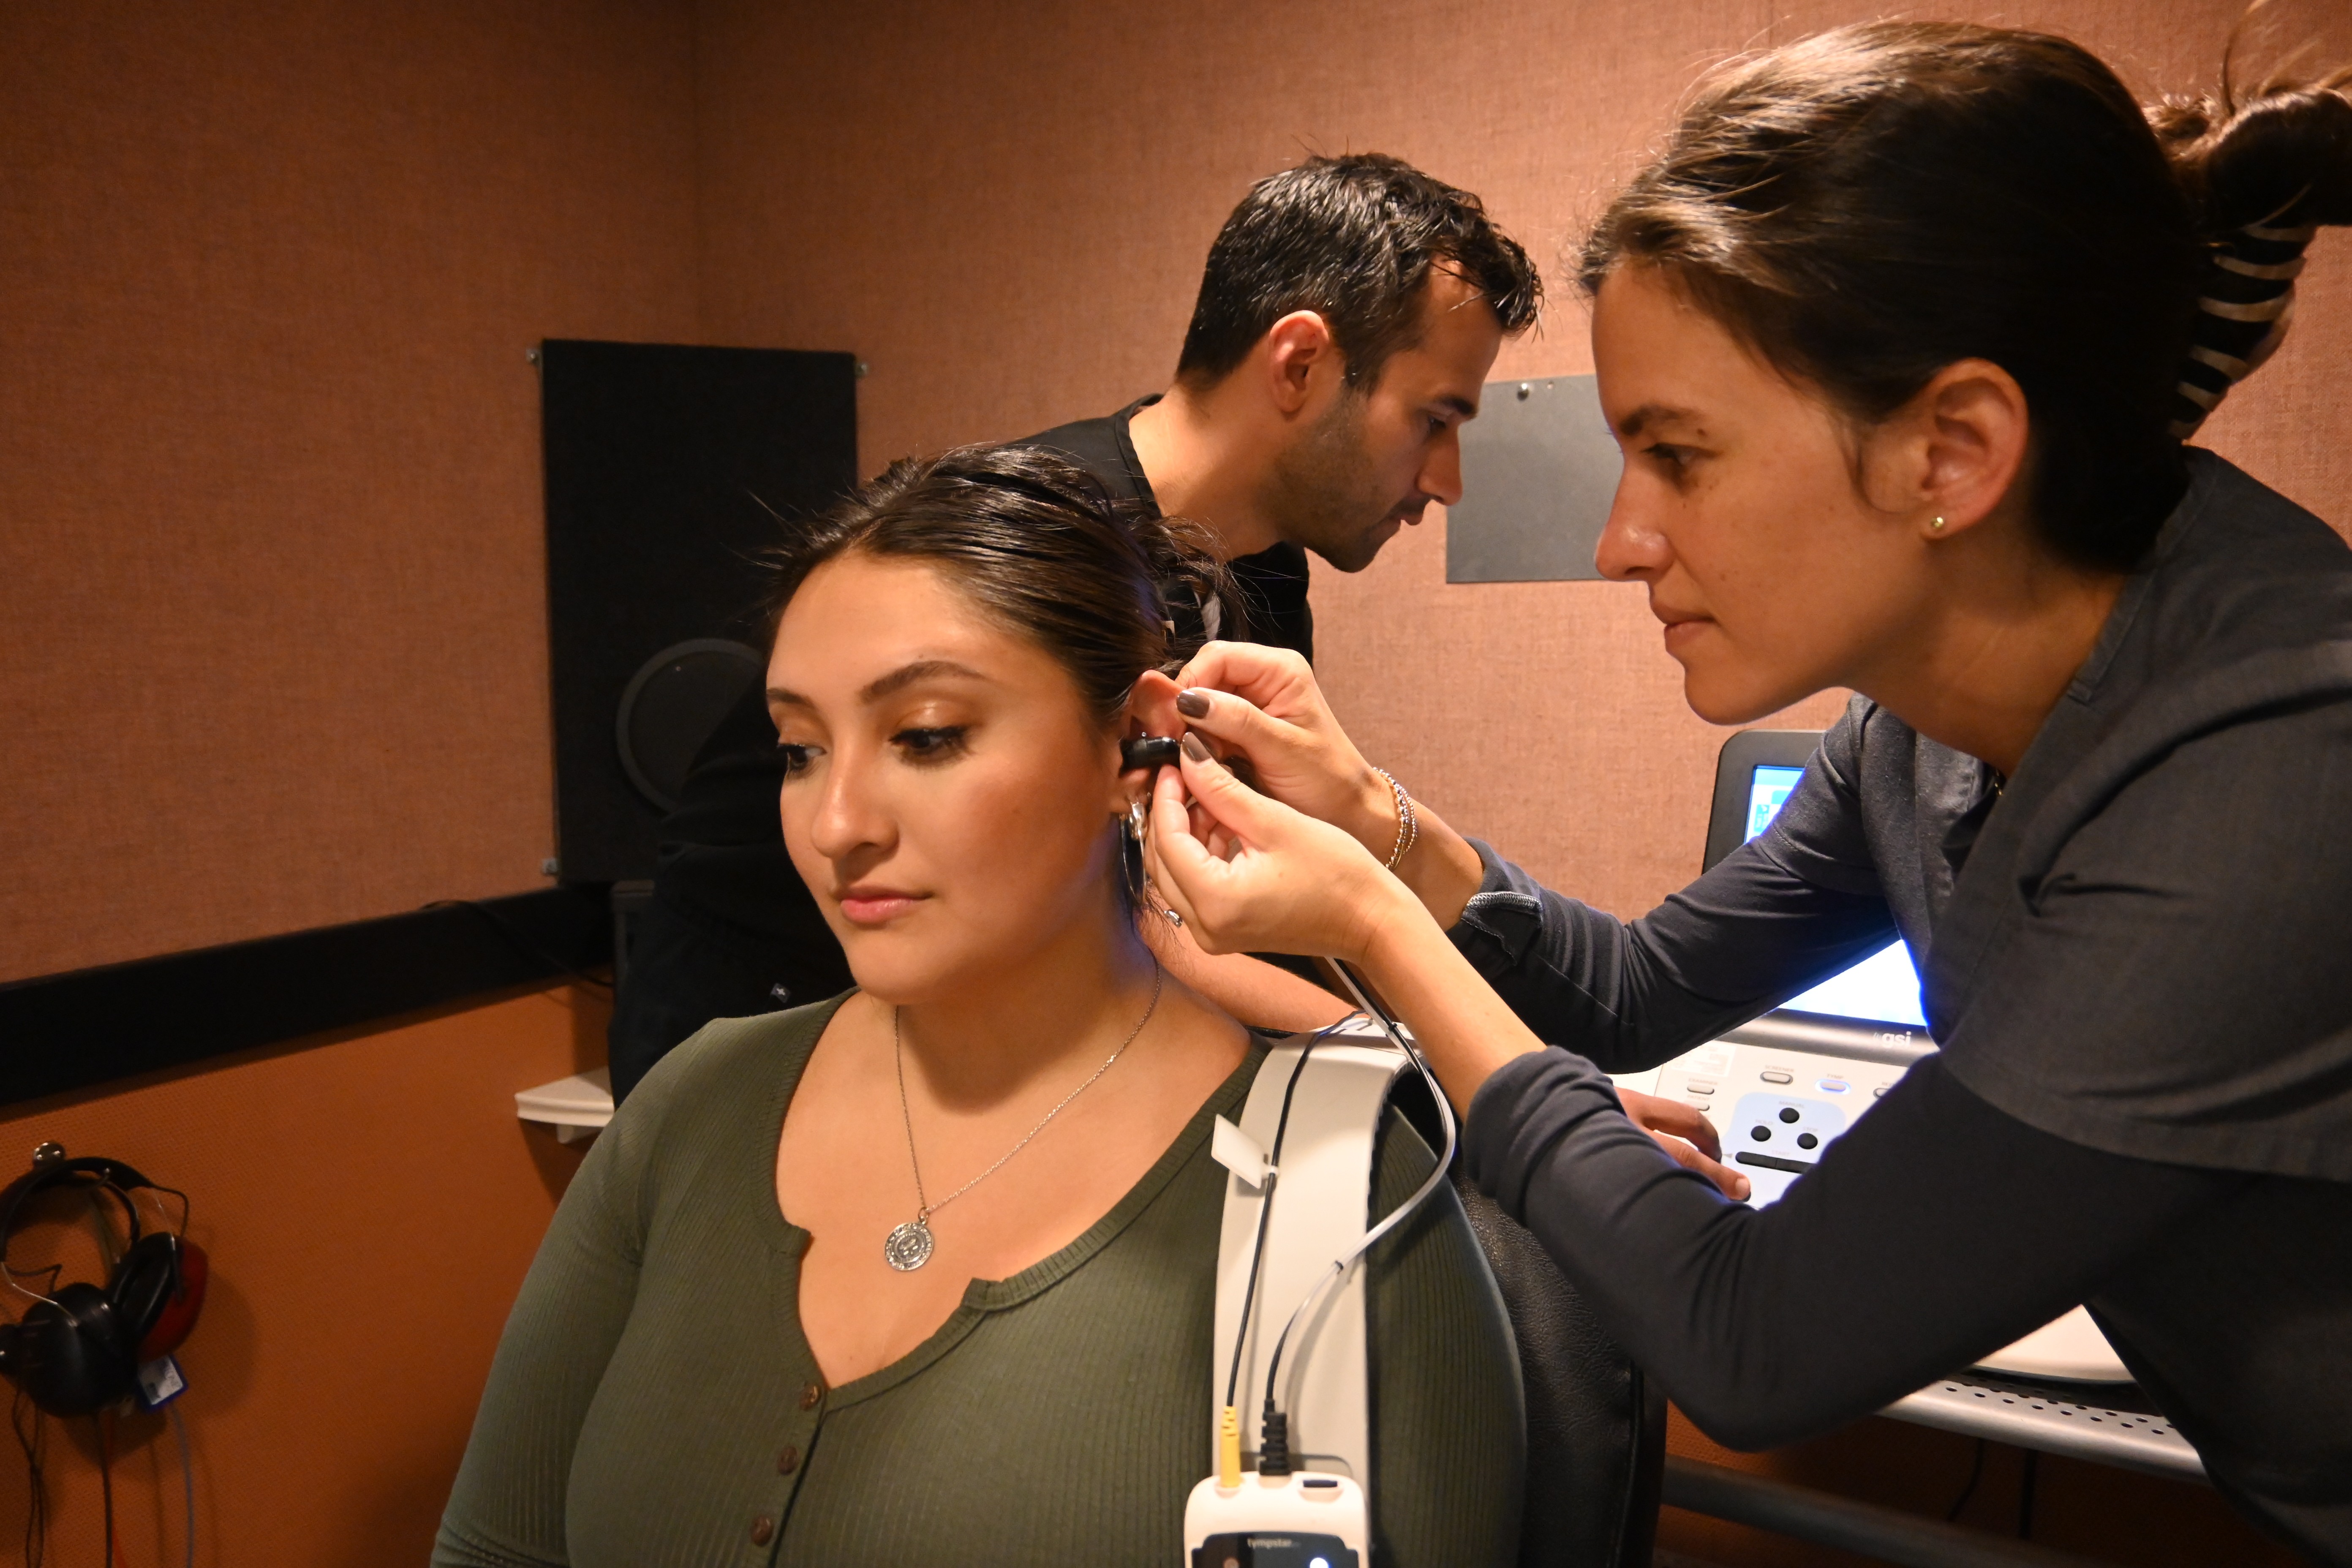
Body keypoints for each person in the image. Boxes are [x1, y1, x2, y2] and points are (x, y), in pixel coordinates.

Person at [1143, 23, 2352, 1563]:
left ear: (1952, 448)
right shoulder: (1915, 733)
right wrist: (1374, 812)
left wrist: (1380, 931)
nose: (1616, 540)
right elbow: (1640, 993)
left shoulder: (2270, 770)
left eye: (1677, 455)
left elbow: (1751, 1342)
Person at [434, 447, 1524, 1568]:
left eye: (927, 736)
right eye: (801, 750)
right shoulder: (692, 1109)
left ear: (1130, 740)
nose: (836, 821)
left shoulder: (1344, 1210)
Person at [604, 152, 1544, 1102]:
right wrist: (1475, 1075)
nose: (1446, 480)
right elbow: (1158, 916)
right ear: (1299, 364)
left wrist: (1507, 1071)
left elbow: (1247, 878)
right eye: (1435, 418)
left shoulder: (1264, 568)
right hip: (766, 1030)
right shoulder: (1044, 547)